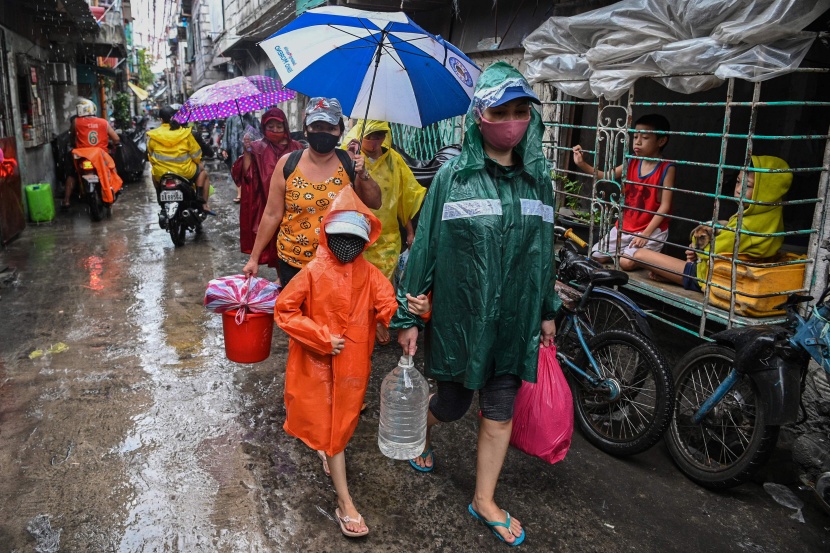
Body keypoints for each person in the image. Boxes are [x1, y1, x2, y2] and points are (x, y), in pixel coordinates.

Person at [390, 62, 561, 546]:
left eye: (520, 110)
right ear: (480, 117)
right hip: (460, 318)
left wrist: (547, 311)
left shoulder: (537, 181)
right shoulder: (452, 178)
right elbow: (424, 249)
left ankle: (484, 499)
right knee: (452, 403)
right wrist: (409, 317)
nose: (511, 120)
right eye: (500, 111)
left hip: (515, 318)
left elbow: (544, 253)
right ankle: (420, 433)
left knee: (500, 408)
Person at [275, 186, 397, 539]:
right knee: (332, 434)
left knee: (338, 426)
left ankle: (329, 453)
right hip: (315, 365)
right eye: (341, 237)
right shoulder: (313, 271)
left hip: (352, 368)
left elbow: (388, 306)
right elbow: (285, 309)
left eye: (355, 239)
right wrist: (320, 337)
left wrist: (411, 313)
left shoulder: (370, 275)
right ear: (327, 233)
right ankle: (345, 502)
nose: (348, 246)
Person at [242, 97, 382, 285]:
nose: (323, 133)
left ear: (340, 132)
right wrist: (254, 258)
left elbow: (375, 203)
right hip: (292, 264)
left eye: (330, 128)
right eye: (317, 127)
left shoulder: (350, 163)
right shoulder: (287, 163)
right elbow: (271, 214)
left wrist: (363, 174)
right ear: (306, 130)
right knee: (292, 314)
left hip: (337, 265)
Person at [632, 155, 793, 292]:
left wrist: (696, 244)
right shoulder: (769, 218)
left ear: (765, 193)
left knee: (638, 254)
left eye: (747, 186)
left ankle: (678, 276)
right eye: (738, 182)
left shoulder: (746, 226)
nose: (738, 189)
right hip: (730, 275)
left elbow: (705, 249)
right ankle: (670, 275)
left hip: (707, 277)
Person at [340, 119, 426, 344]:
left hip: (387, 236)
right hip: (358, 232)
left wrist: (409, 231)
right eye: (370, 135)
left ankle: (378, 320)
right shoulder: (349, 156)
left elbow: (402, 197)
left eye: (380, 135)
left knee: (383, 282)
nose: (374, 140)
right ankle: (362, 319)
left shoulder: (393, 160)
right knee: (358, 280)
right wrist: (352, 163)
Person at [572, 114, 676, 270]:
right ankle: (627, 250)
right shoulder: (631, 160)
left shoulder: (667, 168)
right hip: (626, 226)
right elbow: (606, 176)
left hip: (651, 229)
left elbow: (665, 207)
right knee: (596, 256)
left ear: (661, 141)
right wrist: (582, 164)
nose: (638, 142)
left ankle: (633, 253)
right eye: (635, 137)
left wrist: (646, 234)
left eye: (645, 138)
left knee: (625, 263)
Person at [232, 108, 304, 269]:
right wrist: (247, 151)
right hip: (267, 200)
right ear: (264, 127)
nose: (275, 131)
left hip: (294, 202)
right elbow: (247, 175)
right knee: (273, 237)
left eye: (279, 126)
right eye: (271, 127)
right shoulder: (258, 147)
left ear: (285, 126)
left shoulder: (297, 147)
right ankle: (280, 274)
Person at [147, 105, 212, 213]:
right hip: (185, 172)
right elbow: (196, 155)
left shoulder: (153, 136)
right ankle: (201, 200)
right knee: (203, 173)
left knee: (154, 174)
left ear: (161, 119)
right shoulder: (185, 133)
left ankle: (159, 194)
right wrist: (198, 163)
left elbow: (150, 157)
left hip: (162, 173)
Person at [64, 99, 123, 208]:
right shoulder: (103, 122)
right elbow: (116, 138)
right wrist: (115, 144)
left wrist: (74, 144)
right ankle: (113, 192)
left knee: (72, 174)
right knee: (112, 169)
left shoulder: (76, 122)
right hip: (100, 156)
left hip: (81, 156)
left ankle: (66, 201)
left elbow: (72, 138)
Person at [222, 112, 258, 202]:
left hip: (249, 149)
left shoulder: (253, 119)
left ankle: (251, 193)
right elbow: (227, 134)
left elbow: (259, 135)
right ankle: (240, 194)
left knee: (250, 170)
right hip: (235, 149)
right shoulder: (231, 119)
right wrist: (225, 149)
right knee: (237, 170)